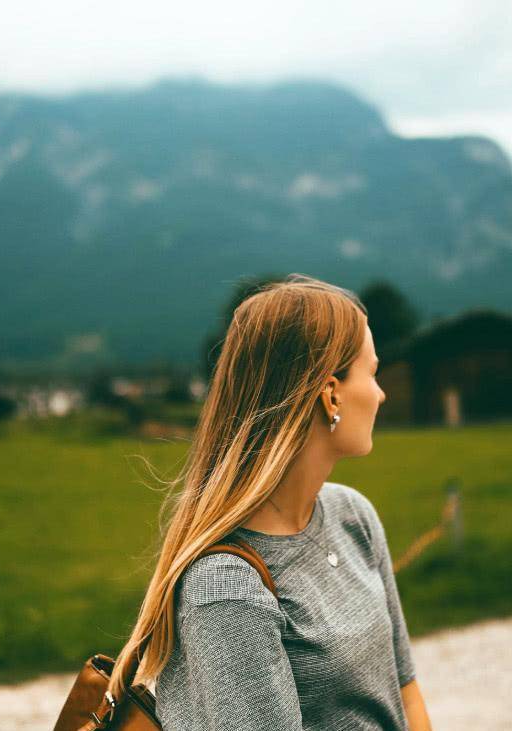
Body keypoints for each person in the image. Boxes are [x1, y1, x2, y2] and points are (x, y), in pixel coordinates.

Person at [103, 273, 433, 730]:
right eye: (372, 373)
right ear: (330, 393)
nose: (381, 394)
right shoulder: (226, 588)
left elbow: (406, 694)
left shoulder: (352, 515)